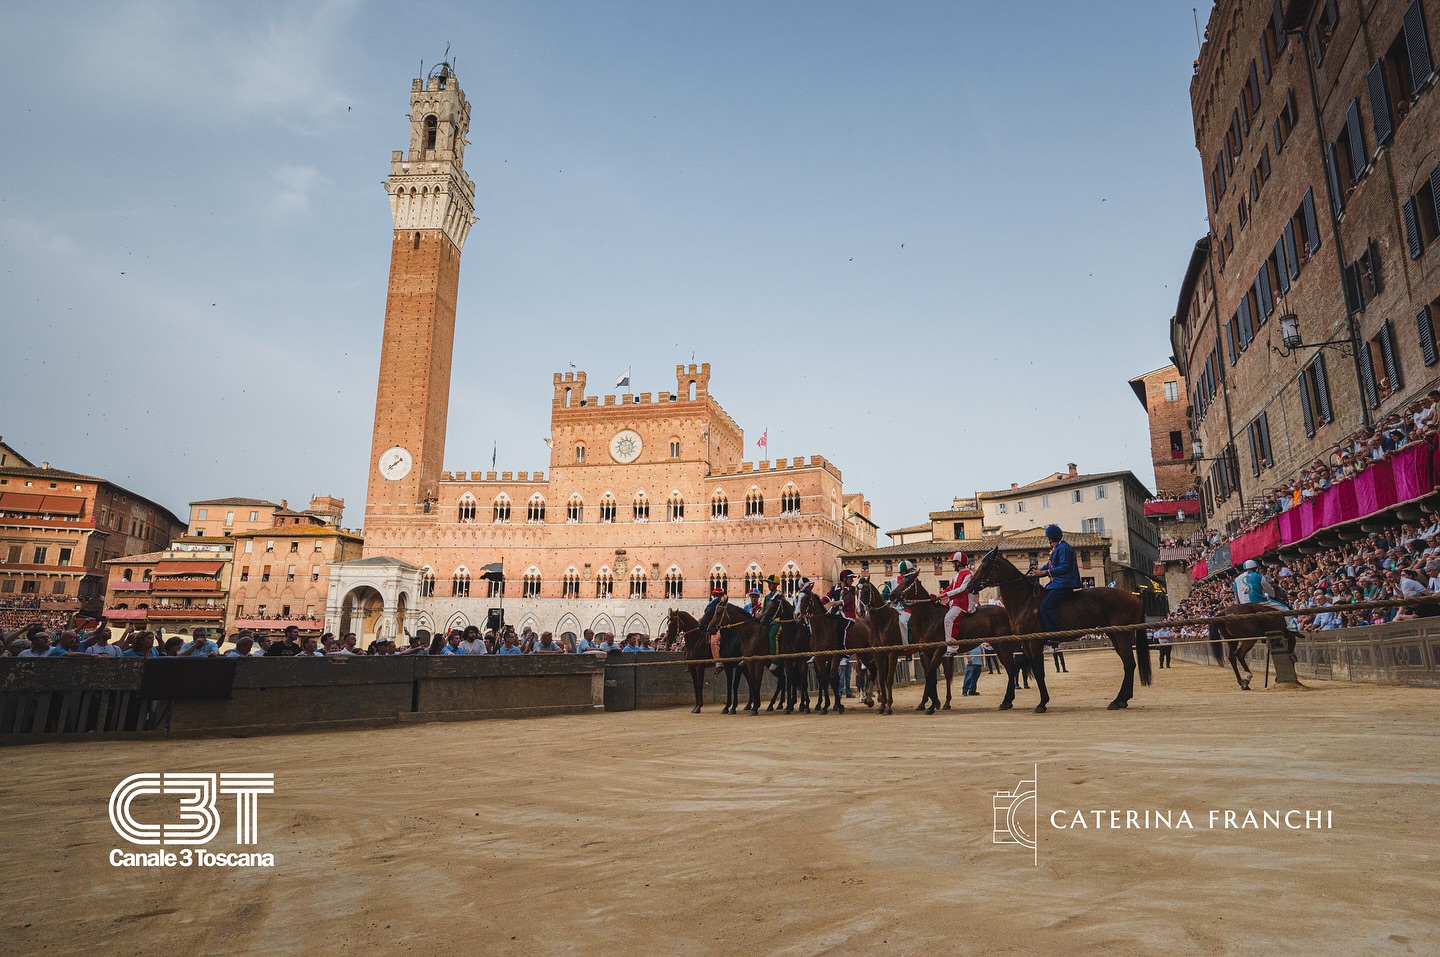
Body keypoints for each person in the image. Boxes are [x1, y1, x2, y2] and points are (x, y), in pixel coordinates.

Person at [1030, 525, 1081, 633]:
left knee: (1045, 607)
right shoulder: (1057, 548)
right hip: (1057, 584)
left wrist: (1044, 573)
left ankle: (1053, 633)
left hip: (1063, 584)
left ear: (1050, 538)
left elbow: (1064, 567)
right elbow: (1050, 565)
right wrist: (1039, 570)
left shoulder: (1064, 548)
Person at [936, 552, 977, 641]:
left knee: (948, 618)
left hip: (963, 603)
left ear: (958, 563)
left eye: (953, 563)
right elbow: (950, 587)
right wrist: (940, 595)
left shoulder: (969, 574)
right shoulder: (957, 574)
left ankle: (952, 646)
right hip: (955, 602)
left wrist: (946, 595)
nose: (953, 565)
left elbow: (963, 589)